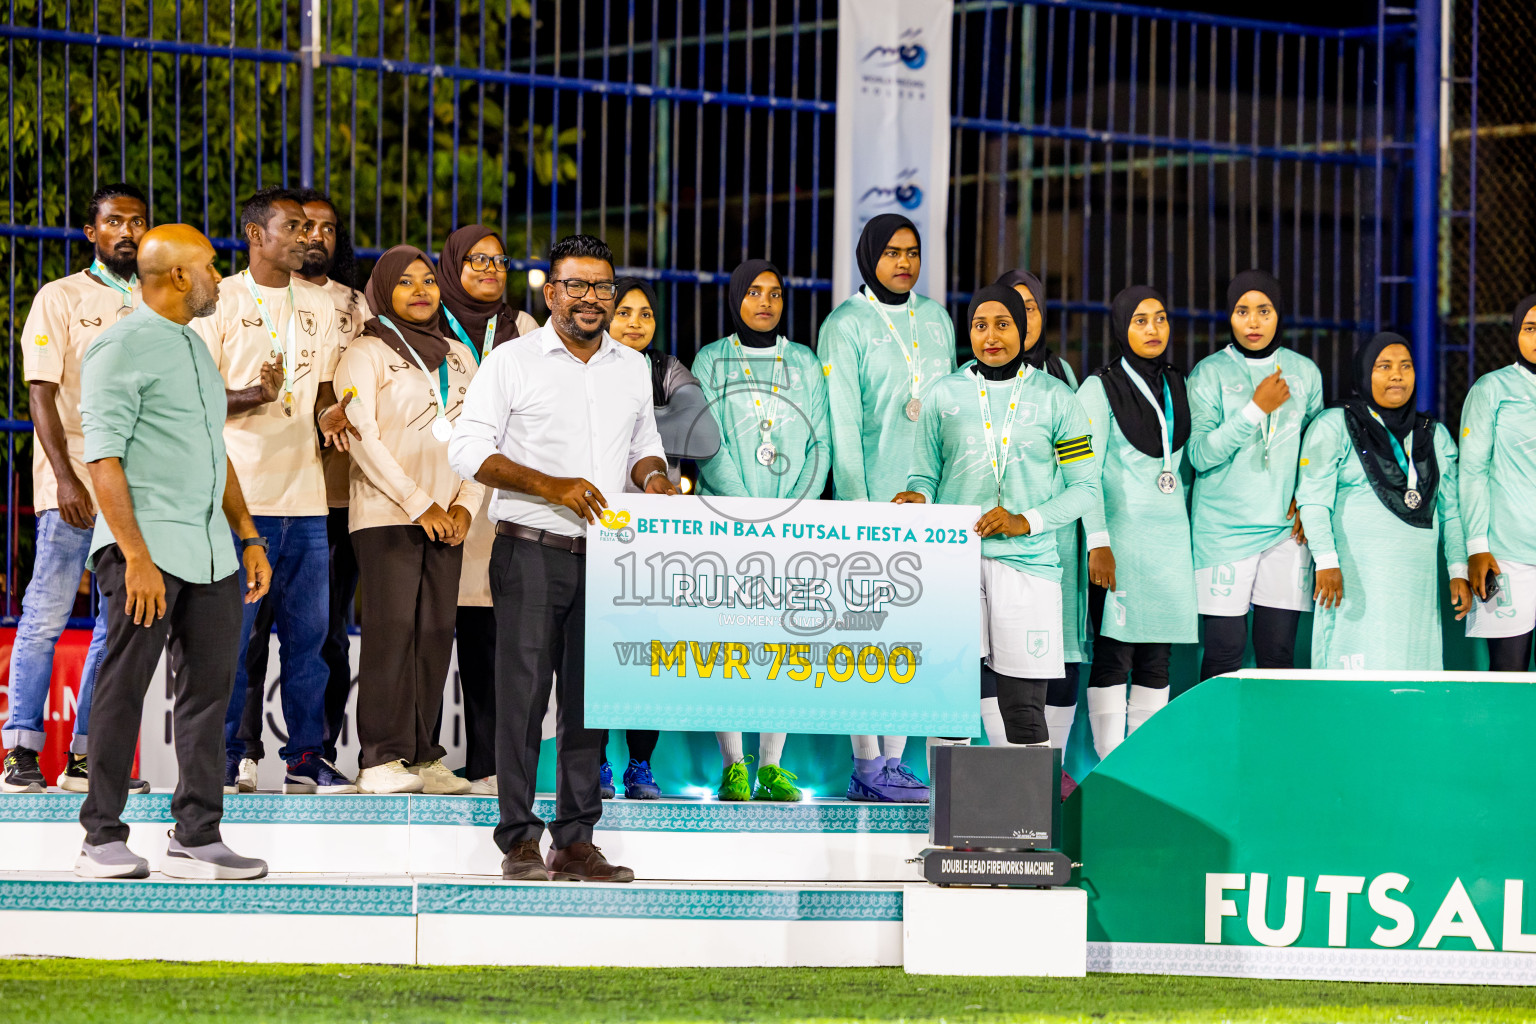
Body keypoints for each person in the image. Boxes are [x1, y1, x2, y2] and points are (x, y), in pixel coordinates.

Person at [449, 234, 674, 883]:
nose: (590, 298)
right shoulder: (512, 361)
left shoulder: (631, 366)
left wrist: (654, 478)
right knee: (521, 702)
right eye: (575, 285)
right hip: (529, 550)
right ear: (549, 293)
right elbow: (468, 450)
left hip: (606, 557)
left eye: (602, 287)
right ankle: (519, 836)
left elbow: (644, 444)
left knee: (590, 703)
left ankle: (575, 839)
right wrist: (551, 486)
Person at [74, 223, 272, 879]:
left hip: (213, 550)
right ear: (180, 275)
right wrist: (134, 556)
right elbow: (102, 459)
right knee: (124, 689)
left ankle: (196, 833)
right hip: (145, 550)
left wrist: (246, 536)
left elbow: (217, 457)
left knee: (209, 695)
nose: (221, 276)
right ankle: (100, 835)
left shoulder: (193, 347)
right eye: (212, 267)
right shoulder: (118, 346)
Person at [195, 187, 357, 796]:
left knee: (310, 643)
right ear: (255, 234)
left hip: (308, 501)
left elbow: (315, 389)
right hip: (240, 501)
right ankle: (231, 753)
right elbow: (196, 400)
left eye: (312, 228)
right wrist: (251, 397)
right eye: (292, 227)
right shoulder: (220, 303)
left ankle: (305, 755)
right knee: (236, 643)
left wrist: (328, 412)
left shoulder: (317, 306)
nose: (307, 237)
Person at [893, 284, 1099, 750]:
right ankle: (942, 820)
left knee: (1024, 711)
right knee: (949, 702)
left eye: (1003, 324)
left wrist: (1024, 520)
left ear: (1023, 330)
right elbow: (925, 474)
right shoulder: (944, 395)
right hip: (954, 563)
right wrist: (918, 497)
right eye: (980, 325)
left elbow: (1085, 488)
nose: (991, 336)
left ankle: (1027, 823)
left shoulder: (1056, 399)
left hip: (1028, 565)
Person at [2, 184, 151, 795]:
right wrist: (63, 475)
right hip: (74, 483)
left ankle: (90, 756)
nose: (128, 231)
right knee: (45, 616)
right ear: (91, 233)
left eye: (138, 222)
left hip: (137, 490)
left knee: (115, 624)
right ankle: (21, 751)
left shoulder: (158, 301)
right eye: (115, 221)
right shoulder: (59, 297)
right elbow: (40, 390)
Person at [336, 246, 483, 794]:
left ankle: (423, 756)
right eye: (405, 282)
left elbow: (481, 439)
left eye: (427, 280)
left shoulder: (460, 357)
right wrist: (421, 503)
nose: (421, 290)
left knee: (434, 634)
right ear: (384, 291)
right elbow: (362, 438)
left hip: (449, 518)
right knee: (390, 633)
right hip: (387, 515)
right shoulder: (365, 351)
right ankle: (379, 757)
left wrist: (465, 505)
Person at [819, 214, 955, 803]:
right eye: (892, 252)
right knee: (863, 639)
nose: (903, 262)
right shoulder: (845, 325)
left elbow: (950, 409)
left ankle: (896, 763)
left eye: (913, 252)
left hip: (930, 507)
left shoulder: (939, 319)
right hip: (870, 507)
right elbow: (842, 423)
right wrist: (857, 508)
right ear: (868, 255)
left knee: (912, 637)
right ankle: (865, 763)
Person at [693, 259, 828, 802]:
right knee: (729, 644)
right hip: (728, 523)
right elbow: (708, 443)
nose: (765, 302)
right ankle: (734, 765)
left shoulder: (804, 360)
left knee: (786, 644)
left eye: (774, 292)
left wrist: (796, 507)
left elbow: (820, 444)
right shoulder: (712, 360)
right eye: (753, 292)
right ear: (735, 298)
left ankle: (772, 766)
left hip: (794, 526)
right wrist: (746, 510)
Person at [598, 275, 720, 800]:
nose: (635, 323)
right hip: (597, 524)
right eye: (625, 311)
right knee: (598, 650)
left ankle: (640, 766)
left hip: (652, 532)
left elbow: (705, 434)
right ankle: (596, 764)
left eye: (645, 314)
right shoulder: (589, 366)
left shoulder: (664, 368)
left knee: (649, 648)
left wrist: (628, 421)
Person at [436, 225, 541, 797]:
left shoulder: (521, 329)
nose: (489, 269)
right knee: (426, 641)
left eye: (499, 261)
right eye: (476, 259)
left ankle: (487, 767)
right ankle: (418, 758)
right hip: (433, 499)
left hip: (500, 504)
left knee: (489, 644)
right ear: (454, 263)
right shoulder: (424, 326)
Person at [1298, 333, 1471, 670]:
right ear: (1365, 373)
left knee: (1412, 683)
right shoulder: (1335, 424)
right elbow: (1313, 500)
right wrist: (1327, 561)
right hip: (1352, 583)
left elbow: (1452, 512)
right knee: (1351, 691)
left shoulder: (1433, 435)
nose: (1397, 375)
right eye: (1384, 366)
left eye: (1405, 366)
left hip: (1414, 592)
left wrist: (1458, 569)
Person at [1077, 286, 1198, 758]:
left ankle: (1141, 766)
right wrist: (1098, 541)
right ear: (1122, 328)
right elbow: (1080, 468)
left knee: (1157, 657)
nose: (1153, 329)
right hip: (1120, 542)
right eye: (1140, 320)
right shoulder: (1097, 388)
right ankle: (1110, 767)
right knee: (1114, 654)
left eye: (1160, 318)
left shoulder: (1177, 383)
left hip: (1169, 543)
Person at [1187, 271, 1324, 681]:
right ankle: (1216, 744)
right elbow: (1199, 454)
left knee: (1278, 655)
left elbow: (1317, 448)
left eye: (1263, 311)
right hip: (1222, 534)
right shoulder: (1208, 373)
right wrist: (1255, 409)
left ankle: (1274, 746)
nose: (1253, 322)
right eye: (1242, 311)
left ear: (1277, 315)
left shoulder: (1305, 373)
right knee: (1224, 654)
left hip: (1285, 533)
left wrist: (1308, 497)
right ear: (1229, 317)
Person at [994, 268, 1087, 769]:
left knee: (1058, 648)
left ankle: (1051, 774)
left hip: (1053, 535)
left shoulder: (1064, 378)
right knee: (998, 654)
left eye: (1031, 307)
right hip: (997, 540)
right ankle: (1005, 772)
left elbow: (1083, 472)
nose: (1021, 317)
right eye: (1012, 306)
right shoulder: (970, 379)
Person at [1461, 296, 1536, 670]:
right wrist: (1476, 547)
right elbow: (1472, 472)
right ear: (1516, 334)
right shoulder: (1492, 389)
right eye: (1531, 328)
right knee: (1509, 673)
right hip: (1508, 556)